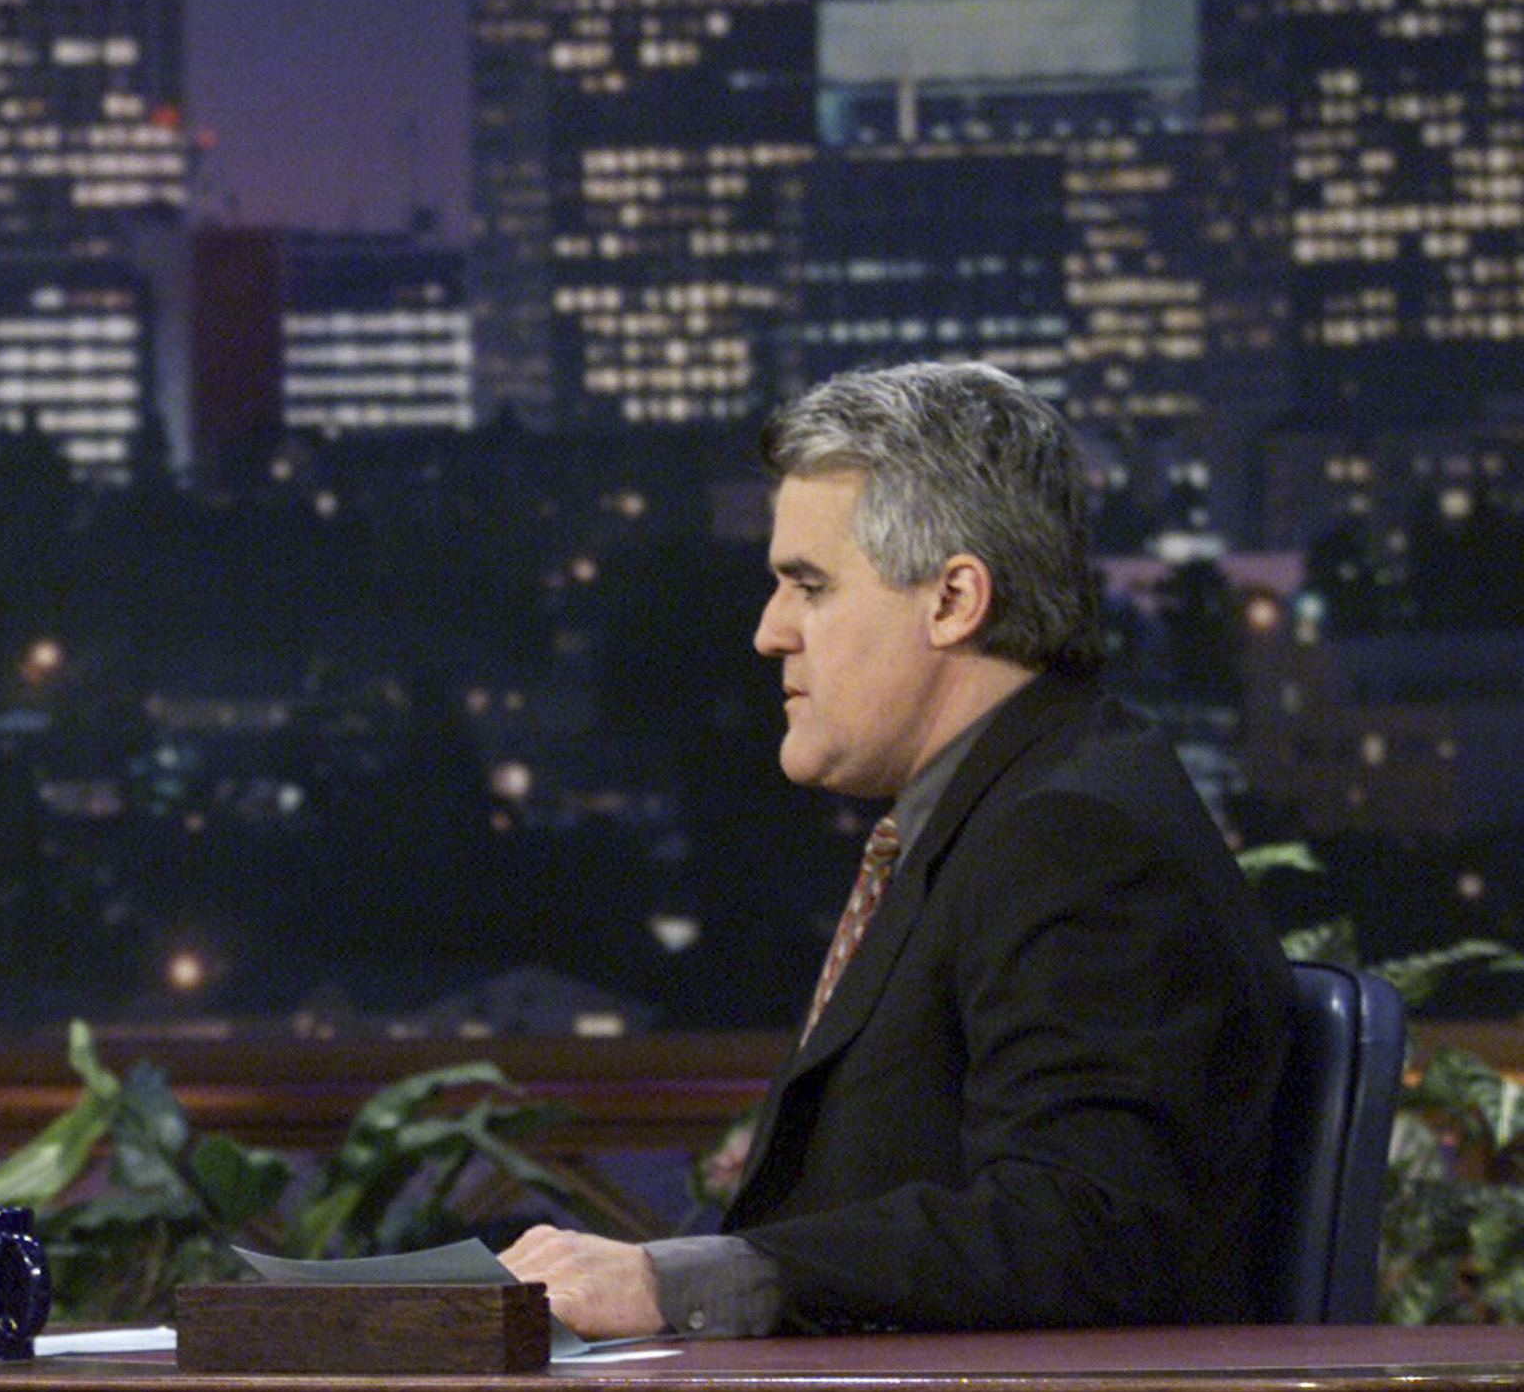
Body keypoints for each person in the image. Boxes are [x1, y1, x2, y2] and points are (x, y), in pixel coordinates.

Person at [503, 360, 1293, 1337]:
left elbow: (1080, 1228)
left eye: (809, 584)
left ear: (955, 599)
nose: (768, 631)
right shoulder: (1012, 803)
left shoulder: (1076, 836)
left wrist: (685, 1282)